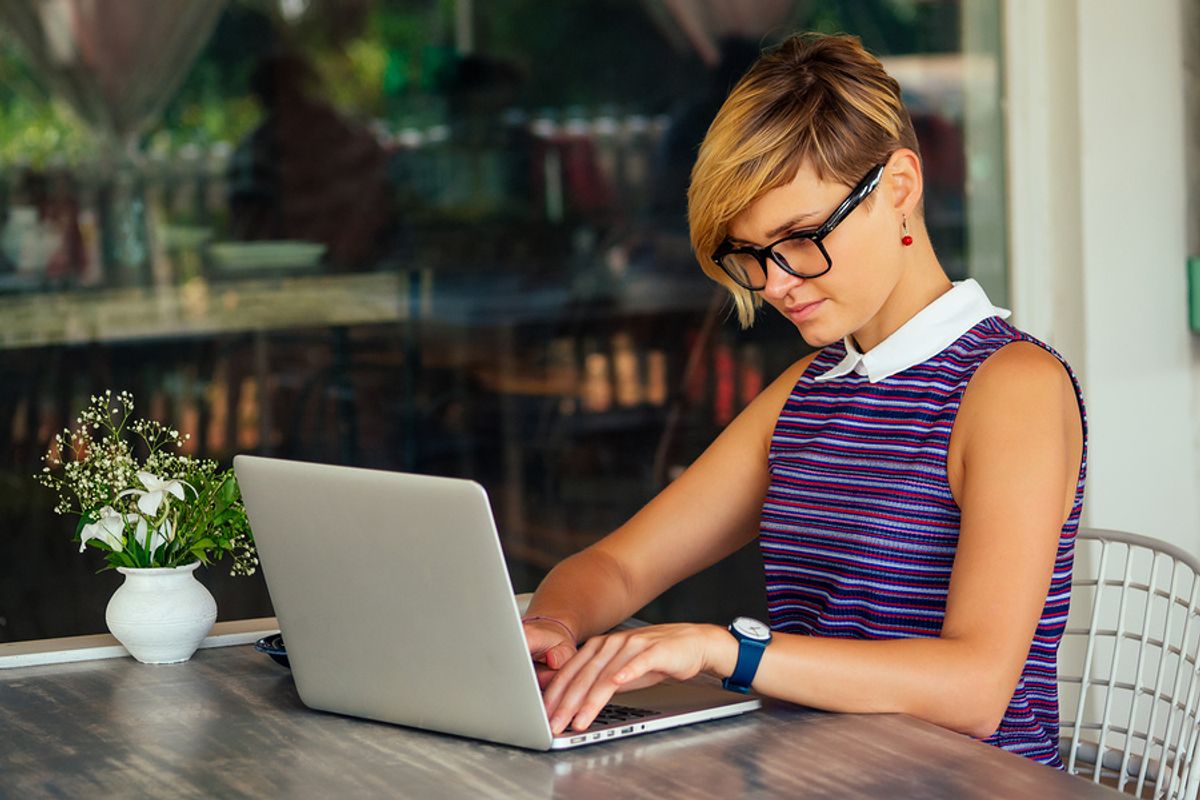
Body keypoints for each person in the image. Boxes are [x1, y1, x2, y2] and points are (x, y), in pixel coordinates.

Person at [520, 32, 1086, 769]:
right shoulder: (813, 390)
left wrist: (728, 651)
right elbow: (620, 569)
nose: (776, 282)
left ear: (900, 188)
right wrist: (556, 626)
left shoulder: (1011, 387)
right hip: (807, 776)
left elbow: (975, 690)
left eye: (800, 237)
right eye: (751, 254)